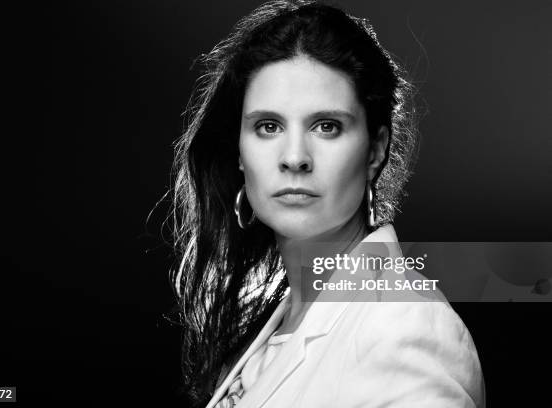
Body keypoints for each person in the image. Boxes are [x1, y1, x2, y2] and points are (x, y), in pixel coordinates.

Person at [168, 1, 485, 407]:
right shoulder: (280, 316)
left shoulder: (405, 327)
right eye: (268, 126)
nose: (294, 157)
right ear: (239, 153)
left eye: (327, 126)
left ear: (375, 151)